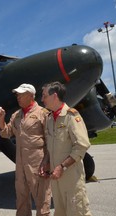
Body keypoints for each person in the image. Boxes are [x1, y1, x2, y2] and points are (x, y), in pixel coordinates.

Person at [0, 83, 51, 216]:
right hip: (21, 165)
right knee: (21, 199)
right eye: (17, 94)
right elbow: (6, 133)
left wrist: (47, 162)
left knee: (42, 199)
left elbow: (51, 141)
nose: (18, 97)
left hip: (38, 163)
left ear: (31, 96)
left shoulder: (43, 114)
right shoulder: (17, 115)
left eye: (21, 94)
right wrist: (1, 120)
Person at [40, 81, 92, 216]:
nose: (42, 99)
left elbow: (82, 145)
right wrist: (46, 161)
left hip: (71, 178)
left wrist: (61, 167)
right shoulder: (50, 118)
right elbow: (50, 146)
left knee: (78, 212)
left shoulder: (71, 116)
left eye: (44, 96)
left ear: (54, 96)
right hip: (56, 179)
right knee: (60, 212)